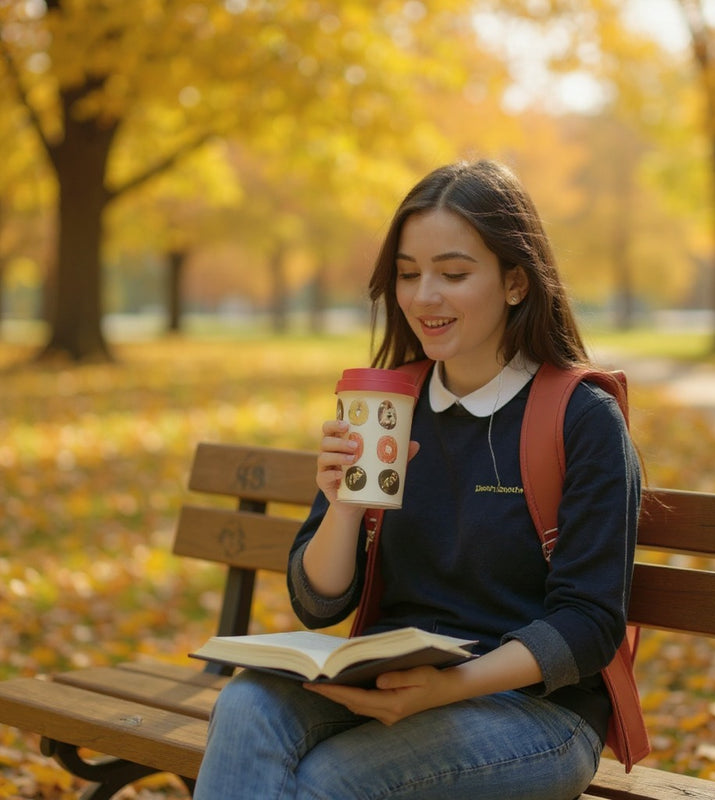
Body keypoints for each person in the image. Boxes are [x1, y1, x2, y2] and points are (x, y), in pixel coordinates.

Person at [193, 159, 641, 800]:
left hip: (535, 712)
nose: (423, 296)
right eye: (408, 274)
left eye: (453, 274)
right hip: (392, 683)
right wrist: (343, 506)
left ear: (516, 282)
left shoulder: (579, 418)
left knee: (329, 782)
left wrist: (451, 686)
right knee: (245, 705)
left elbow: (590, 624)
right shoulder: (384, 402)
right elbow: (319, 602)